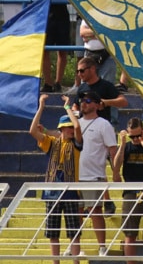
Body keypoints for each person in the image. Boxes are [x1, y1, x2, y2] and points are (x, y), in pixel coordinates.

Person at [31, 94, 82, 264]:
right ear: (60, 129)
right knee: (53, 233)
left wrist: (68, 107)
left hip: (71, 192)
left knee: (74, 232)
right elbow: (32, 131)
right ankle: (56, 262)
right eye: (67, 127)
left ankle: (75, 262)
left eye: (71, 127)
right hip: (52, 192)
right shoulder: (52, 142)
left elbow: (78, 127)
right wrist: (41, 107)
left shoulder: (76, 144)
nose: (71, 130)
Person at [113, 116, 143, 261]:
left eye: (138, 136)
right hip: (130, 194)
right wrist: (122, 145)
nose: (135, 139)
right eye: (132, 136)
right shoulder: (126, 147)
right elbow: (116, 167)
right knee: (129, 235)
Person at [76, 90, 117, 255]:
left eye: (87, 100)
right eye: (81, 100)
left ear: (96, 104)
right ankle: (75, 247)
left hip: (94, 175)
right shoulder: (76, 123)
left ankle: (102, 246)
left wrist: (115, 172)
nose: (83, 103)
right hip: (76, 176)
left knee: (95, 211)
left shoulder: (103, 124)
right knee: (76, 212)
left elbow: (112, 150)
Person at [31, 0, 72, 93]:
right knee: (45, 50)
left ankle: (58, 82)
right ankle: (48, 83)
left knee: (62, 50)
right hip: (45, 16)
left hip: (61, 17)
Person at [71, 57, 127, 125]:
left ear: (92, 69)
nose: (79, 74)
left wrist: (105, 102)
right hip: (84, 127)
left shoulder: (106, 86)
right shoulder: (81, 88)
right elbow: (75, 105)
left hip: (102, 127)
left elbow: (123, 102)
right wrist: (76, 114)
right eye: (77, 71)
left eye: (82, 71)